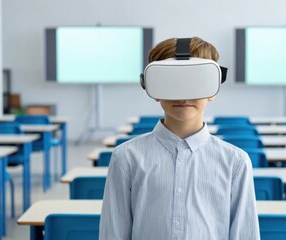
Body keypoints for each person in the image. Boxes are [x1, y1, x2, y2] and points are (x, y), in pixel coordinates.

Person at [99, 37, 260, 240]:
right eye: (172, 82)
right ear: (151, 87)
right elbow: (113, 233)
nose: (184, 95)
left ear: (214, 88)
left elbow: (245, 235)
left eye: (196, 81)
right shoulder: (126, 158)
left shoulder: (235, 162)